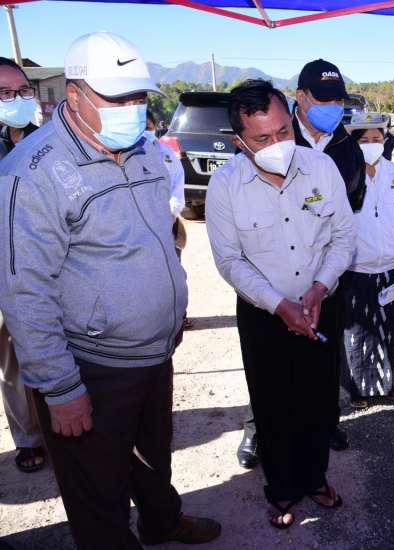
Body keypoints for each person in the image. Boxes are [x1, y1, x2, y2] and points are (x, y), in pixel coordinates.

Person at [0, 32, 220, 549]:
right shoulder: (32, 172)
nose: (132, 109)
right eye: (117, 99)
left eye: (139, 97)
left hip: (153, 352)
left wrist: (169, 310)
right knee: (97, 491)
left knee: (152, 454)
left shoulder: (143, 151)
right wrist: (60, 389)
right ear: (74, 95)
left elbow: (159, 236)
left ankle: (162, 521)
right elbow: (25, 292)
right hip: (90, 364)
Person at [205, 79, 355, 529]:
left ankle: (315, 479)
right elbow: (229, 260)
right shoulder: (225, 184)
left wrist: (320, 288)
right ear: (239, 141)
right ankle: (282, 488)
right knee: (272, 406)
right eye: (262, 139)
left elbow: (344, 237)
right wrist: (277, 305)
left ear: (292, 120)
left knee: (319, 401)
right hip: (263, 316)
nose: (277, 145)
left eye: (284, 131)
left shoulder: (321, 168)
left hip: (320, 305)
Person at [235, 59, 364, 469]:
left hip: (325, 279)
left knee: (324, 360)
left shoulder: (347, 148)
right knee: (268, 371)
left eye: (338, 101)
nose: (332, 108)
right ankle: (258, 428)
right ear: (301, 98)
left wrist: (324, 281)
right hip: (270, 285)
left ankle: (325, 424)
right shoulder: (270, 136)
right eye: (323, 100)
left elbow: (349, 215)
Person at [342, 112, 394, 409]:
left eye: (376, 138)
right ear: (354, 143)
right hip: (355, 269)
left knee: (388, 328)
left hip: (391, 269)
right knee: (357, 331)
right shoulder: (344, 175)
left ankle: (385, 382)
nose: (371, 144)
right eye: (364, 140)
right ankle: (357, 389)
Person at [0, 56, 45, 473]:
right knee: (11, 360)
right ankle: (28, 437)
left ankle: (60, 423)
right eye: (4, 93)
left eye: (22, 91)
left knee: (52, 347)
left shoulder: (48, 142)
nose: (16, 99)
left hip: (44, 266)